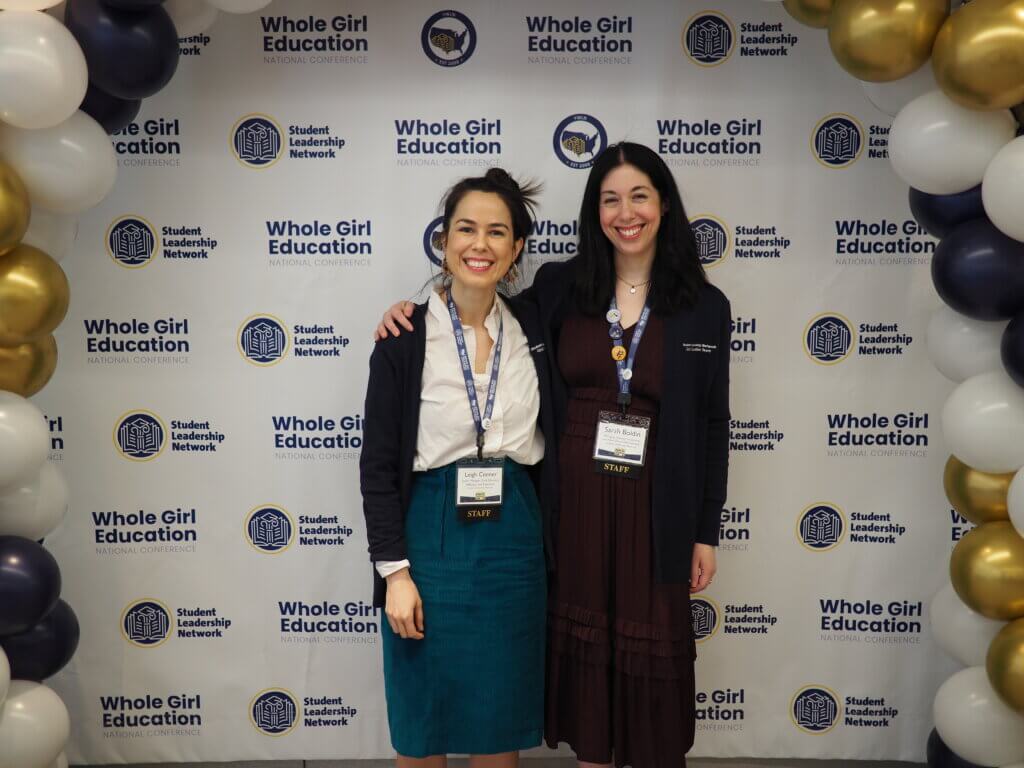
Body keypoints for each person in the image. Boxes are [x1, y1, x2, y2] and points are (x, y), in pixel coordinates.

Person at [377, 142, 731, 768]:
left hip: (635, 511)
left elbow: (711, 424)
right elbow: (467, 308)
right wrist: (402, 310)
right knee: (434, 710)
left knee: (529, 704)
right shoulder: (562, 288)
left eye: (639, 196)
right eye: (610, 198)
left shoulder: (703, 307)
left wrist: (706, 529)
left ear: (665, 204)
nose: (625, 212)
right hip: (567, 514)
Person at [360, 168, 558, 768]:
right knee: (424, 720)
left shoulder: (537, 326)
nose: (480, 244)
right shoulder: (404, 335)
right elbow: (378, 464)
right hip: (429, 538)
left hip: (514, 540)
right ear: (443, 240)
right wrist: (394, 573)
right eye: (466, 228)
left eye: (498, 232)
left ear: (517, 248)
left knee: (497, 721)